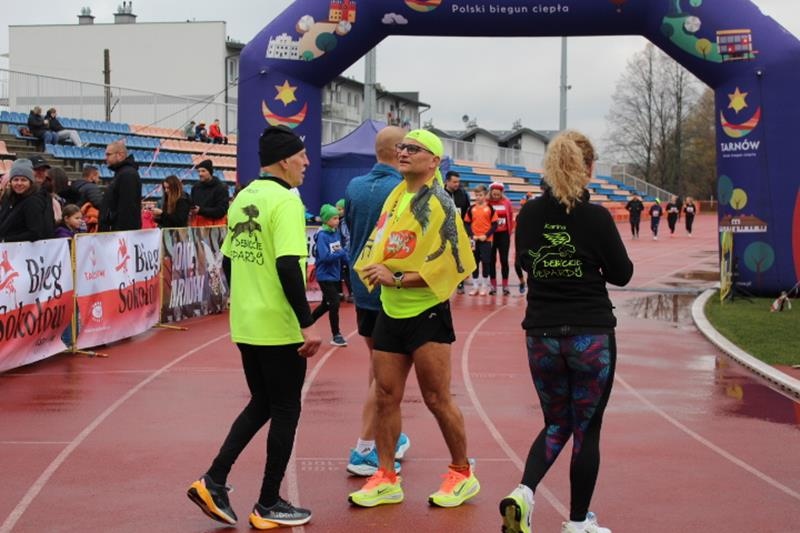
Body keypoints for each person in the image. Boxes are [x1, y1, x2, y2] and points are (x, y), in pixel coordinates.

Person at [187, 125, 321, 530]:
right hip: (278, 326)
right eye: (301, 155)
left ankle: (214, 479)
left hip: (246, 323)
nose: (306, 162)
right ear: (284, 160)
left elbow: (229, 260)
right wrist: (306, 323)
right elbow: (288, 265)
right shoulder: (287, 201)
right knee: (286, 409)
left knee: (262, 402)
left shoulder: (244, 196)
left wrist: (247, 300)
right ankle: (267, 503)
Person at [501, 130, 633, 533]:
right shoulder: (596, 217)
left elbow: (524, 264)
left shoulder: (528, 214)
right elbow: (622, 274)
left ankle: (524, 492)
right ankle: (577, 522)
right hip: (590, 333)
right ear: (588, 168)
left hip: (541, 334)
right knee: (586, 429)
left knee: (556, 422)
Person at [349, 130, 479, 509]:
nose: (403, 152)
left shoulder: (441, 203)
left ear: (434, 161)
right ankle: (386, 477)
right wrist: (374, 270)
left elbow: (453, 264)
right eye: (402, 147)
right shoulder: (396, 195)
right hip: (390, 309)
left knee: (437, 398)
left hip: (426, 312)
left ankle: (462, 474)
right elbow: (381, 242)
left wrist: (397, 277)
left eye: (414, 148)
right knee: (385, 396)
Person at [343, 125, 410, 478]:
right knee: (388, 373)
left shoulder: (354, 186)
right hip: (388, 287)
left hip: (362, 285)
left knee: (377, 363)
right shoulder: (401, 190)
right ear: (399, 151)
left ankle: (388, 435)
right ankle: (366, 447)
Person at [310, 204, 349, 347]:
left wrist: (350, 263)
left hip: (335, 275)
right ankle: (336, 335)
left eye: (338, 218)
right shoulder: (322, 236)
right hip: (324, 276)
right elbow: (325, 256)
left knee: (326, 305)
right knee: (334, 303)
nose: (337, 221)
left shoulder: (335, 233)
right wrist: (341, 253)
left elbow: (339, 251)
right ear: (326, 220)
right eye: (334, 218)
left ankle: (305, 324)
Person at [0, 160, 51, 242]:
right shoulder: (9, 197)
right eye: (16, 179)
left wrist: (5, 239)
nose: (19, 183)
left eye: (23, 180)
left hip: (22, 248)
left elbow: (35, 232)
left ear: (30, 182)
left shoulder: (33, 201)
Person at [99, 141, 142, 231]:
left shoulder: (127, 174)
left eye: (108, 154)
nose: (105, 158)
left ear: (120, 155)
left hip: (120, 234)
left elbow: (128, 209)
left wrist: (121, 234)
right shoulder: (121, 173)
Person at [464, 184, 498, 296]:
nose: (478, 197)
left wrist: (486, 235)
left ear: (485, 195)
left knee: (486, 262)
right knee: (474, 262)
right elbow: (467, 223)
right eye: (476, 195)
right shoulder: (471, 209)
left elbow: (495, 225)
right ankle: (475, 286)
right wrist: (472, 235)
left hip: (486, 240)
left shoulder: (490, 209)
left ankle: (484, 285)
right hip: (474, 240)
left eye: (480, 195)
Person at [444, 171, 470, 294]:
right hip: (444, 231)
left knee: (459, 257)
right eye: (454, 182)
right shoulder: (440, 193)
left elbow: (467, 212)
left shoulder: (463, 194)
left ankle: (460, 283)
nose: (457, 184)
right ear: (447, 181)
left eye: (458, 182)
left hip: (459, 230)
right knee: (445, 257)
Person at [487, 181, 515, 295]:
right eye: (494, 194)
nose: (496, 196)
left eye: (498, 194)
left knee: (504, 260)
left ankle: (505, 285)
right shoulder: (487, 202)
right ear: (491, 193)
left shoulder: (506, 202)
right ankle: (493, 285)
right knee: (491, 260)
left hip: (503, 235)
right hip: (491, 235)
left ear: (501, 193)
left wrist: (510, 231)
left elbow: (511, 217)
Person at [190, 159, 229, 226]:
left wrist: (201, 210)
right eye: (199, 171)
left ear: (210, 172)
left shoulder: (221, 188)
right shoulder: (195, 187)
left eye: (203, 171)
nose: (200, 174)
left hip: (215, 227)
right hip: (197, 227)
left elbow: (221, 211)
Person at [335, 198, 353, 301]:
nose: (337, 211)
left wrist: (345, 251)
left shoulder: (345, 222)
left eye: (340, 209)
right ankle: (340, 293)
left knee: (347, 273)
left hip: (346, 252)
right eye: (336, 209)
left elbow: (348, 238)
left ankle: (352, 293)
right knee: (341, 272)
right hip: (341, 252)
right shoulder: (340, 222)